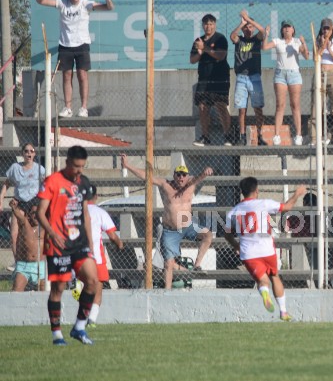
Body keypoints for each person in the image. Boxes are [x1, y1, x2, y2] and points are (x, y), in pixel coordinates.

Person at [121, 156, 214, 289]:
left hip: (188, 226)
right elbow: (146, 176)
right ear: (174, 176)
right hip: (170, 230)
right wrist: (128, 166)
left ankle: (197, 265)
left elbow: (201, 176)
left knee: (208, 235)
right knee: (168, 264)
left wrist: (206, 171)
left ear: (188, 177)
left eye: (183, 175)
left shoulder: (191, 184)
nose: (181, 178)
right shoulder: (166, 185)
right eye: (178, 175)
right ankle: (167, 291)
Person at [36, 145, 96, 345]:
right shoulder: (52, 181)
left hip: (79, 243)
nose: (79, 170)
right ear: (67, 162)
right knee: (58, 289)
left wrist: (91, 243)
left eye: (82, 166)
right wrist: (52, 234)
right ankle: (57, 335)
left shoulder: (83, 183)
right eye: (76, 166)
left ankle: (79, 327)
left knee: (92, 281)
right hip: (58, 244)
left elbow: (85, 214)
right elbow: (40, 212)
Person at [224, 177, 307, 321]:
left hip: (248, 252)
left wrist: (236, 246)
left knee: (262, 281)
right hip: (267, 249)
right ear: (256, 191)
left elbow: (227, 234)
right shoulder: (264, 203)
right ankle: (283, 311)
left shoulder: (233, 212)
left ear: (242, 192)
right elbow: (286, 207)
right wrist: (297, 194)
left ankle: (264, 293)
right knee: (275, 277)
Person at [36, 0, 114, 118]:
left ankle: (84, 108)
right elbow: (40, 1)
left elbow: (109, 8)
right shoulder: (62, 3)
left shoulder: (86, 4)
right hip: (65, 45)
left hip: (82, 45)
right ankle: (68, 107)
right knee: (67, 76)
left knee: (82, 75)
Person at [262, 20, 309, 146]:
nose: (287, 29)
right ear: (282, 30)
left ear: (293, 30)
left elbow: (306, 55)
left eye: (289, 27)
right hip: (280, 74)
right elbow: (265, 47)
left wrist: (303, 43)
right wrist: (266, 35)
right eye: (285, 27)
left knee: (295, 105)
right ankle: (276, 135)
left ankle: (298, 135)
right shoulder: (278, 41)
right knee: (280, 105)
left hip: (294, 74)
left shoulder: (296, 42)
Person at [0, 143, 45, 270]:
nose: (29, 153)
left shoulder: (39, 169)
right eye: (26, 151)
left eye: (31, 151)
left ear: (34, 154)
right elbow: (7, 183)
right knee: (14, 234)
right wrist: (1, 198)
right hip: (19, 202)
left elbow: (47, 184)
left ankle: (39, 261)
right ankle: (18, 263)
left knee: (36, 234)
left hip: (34, 202)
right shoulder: (15, 167)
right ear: (22, 153)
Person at [190, 13, 232, 147]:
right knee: (202, 107)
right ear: (203, 25)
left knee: (221, 105)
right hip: (203, 78)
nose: (208, 26)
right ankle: (205, 137)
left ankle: (228, 136)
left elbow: (220, 55)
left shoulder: (220, 38)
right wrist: (199, 52)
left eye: (211, 24)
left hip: (219, 77)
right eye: (206, 24)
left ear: (215, 25)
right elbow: (192, 60)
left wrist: (205, 48)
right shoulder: (198, 40)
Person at [86, 184, 124, 327]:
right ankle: (92, 320)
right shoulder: (100, 213)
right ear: (96, 197)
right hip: (96, 257)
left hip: (77, 257)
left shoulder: (75, 212)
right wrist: (119, 244)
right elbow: (112, 235)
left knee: (84, 285)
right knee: (98, 291)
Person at [230, 9, 266, 146]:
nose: (249, 29)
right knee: (242, 108)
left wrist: (249, 20)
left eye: (250, 27)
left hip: (255, 77)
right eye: (246, 27)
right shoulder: (239, 40)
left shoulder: (256, 40)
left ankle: (260, 136)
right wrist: (242, 23)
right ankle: (242, 136)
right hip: (241, 77)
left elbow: (262, 32)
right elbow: (232, 36)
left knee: (258, 108)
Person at [310, 18, 333, 145]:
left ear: (332, 29)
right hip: (319, 72)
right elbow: (316, 57)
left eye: (328, 28)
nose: (325, 31)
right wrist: (322, 45)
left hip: (332, 73)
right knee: (316, 106)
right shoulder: (317, 41)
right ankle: (314, 138)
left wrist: (329, 49)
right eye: (323, 28)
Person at [9, 200, 45, 291]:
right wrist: (14, 207)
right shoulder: (24, 224)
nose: (36, 215)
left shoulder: (44, 228)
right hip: (24, 266)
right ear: (28, 215)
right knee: (15, 294)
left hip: (40, 266)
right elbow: (18, 215)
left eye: (38, 213)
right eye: (33, 213)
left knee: (44, 296)